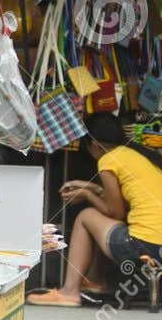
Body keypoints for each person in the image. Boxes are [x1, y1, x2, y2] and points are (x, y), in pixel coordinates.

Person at [28, 113, 162, 306]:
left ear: (93, 144)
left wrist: (88, 195)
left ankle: (70, 292)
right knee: (104, 221)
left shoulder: (108, 160)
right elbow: (123, 205)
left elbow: (116, 213)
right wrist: (92, 188)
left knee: (87, 216)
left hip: (144, 246)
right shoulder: (138, 156)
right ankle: (95, 281)